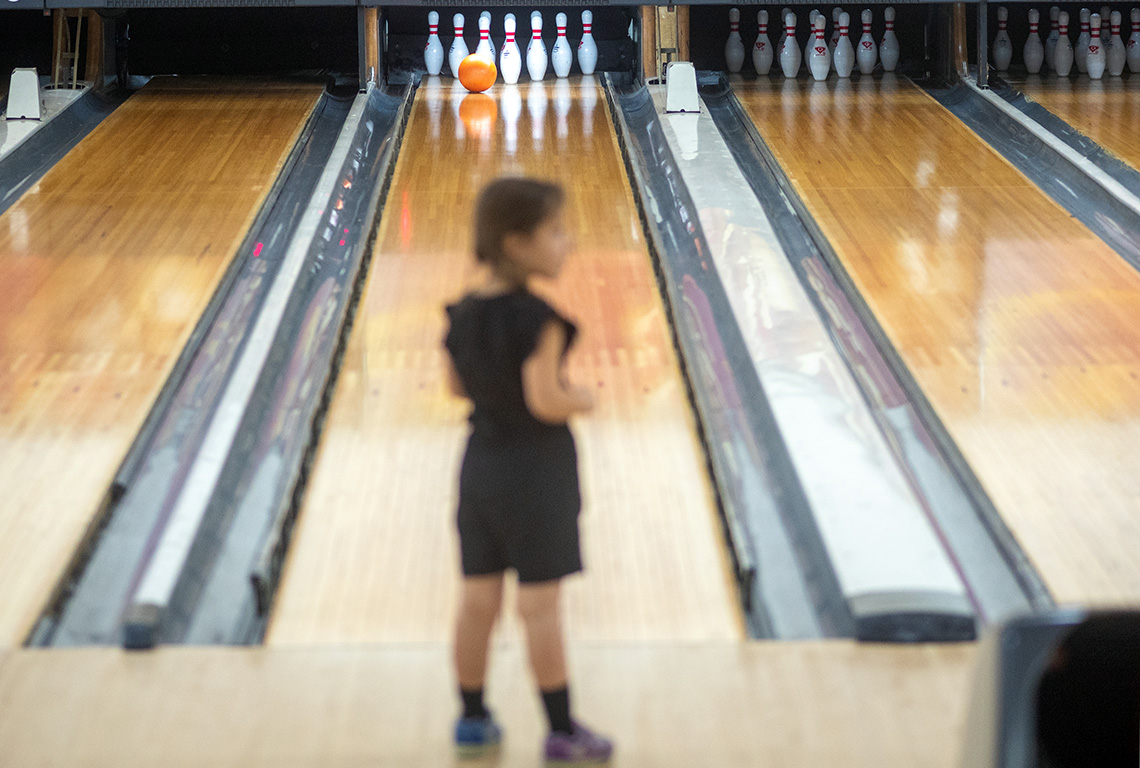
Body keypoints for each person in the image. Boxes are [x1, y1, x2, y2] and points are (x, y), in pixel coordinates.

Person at [443, 178, 613, 763]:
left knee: (476, 602)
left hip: (481, 468)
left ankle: (471, 718)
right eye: (557, 232)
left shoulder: (463, 310)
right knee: (539, 608)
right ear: (517, 244)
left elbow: (454, 385)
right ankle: (562, 730)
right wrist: (581, 398)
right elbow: (545, 400)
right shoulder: (539, 319)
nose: (567, 243)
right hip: (536, 473)